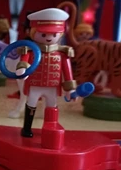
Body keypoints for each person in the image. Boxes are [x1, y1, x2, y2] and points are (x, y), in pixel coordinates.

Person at [16, 8, 77, 142]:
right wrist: (22, 70)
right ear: (33, 32)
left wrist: (70, 89)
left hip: (52, 86)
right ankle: (27, 128)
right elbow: (24, 62)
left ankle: (50, 128)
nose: (49, 38)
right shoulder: (30, 50)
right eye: (43, 34)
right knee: (31, 104)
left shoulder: (63, 53)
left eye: (54, 34)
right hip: (35, 84)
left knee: (51, 106)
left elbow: (67, 72)